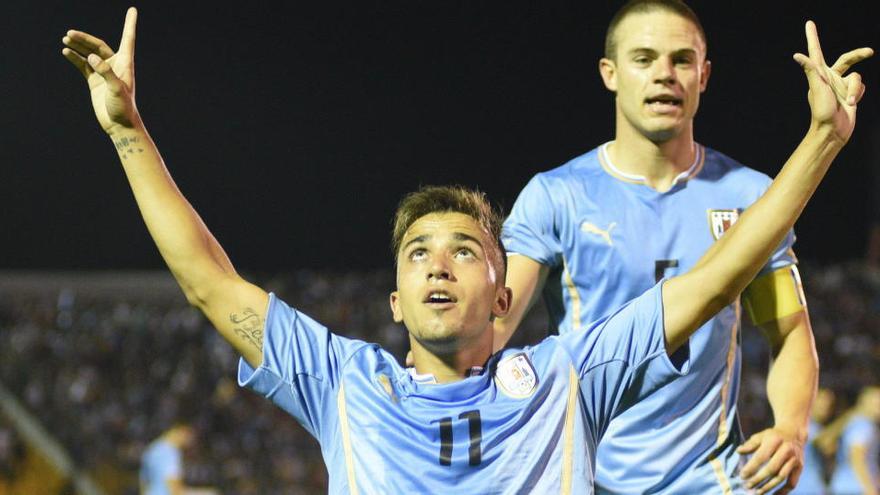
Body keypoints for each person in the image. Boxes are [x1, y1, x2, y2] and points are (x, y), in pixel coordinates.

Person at [61, 7, 870, 493]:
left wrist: (822, 144)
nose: (439, 263)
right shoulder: (347, 380)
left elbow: (725, 268)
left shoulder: (568, 376)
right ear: (394, 299)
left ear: (506, 291)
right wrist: (129, 132)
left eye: (463, 250)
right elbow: (208, 282)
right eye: (417, 253)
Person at [496, 1, 836, 493]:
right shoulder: (557, 196)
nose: (664, 74)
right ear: (609, 73)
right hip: (588, 478)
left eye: (681, 59)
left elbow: (787, 332)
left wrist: (790, 429)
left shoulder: (748, 196)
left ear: (705, 74)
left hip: (713, 480)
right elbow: (494, 328)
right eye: (644, 58)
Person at [828, 386, 880, 495]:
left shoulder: (855, 423)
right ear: (863, 404)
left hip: (844, 485)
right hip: (855, 487)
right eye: (876, 403)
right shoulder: (863, 425)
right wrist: (869, 489)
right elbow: (856, 456)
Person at [140, 423, 216, 495]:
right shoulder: (170, 453)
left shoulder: (153, 449)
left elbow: (143, 484)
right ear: (182, 431)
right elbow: (175, 491)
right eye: (190, 437)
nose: (189, 442)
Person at [792, 387, 836, 495]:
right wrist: (848, 418)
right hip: (805, 488)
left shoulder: (816, 427)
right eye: (822, 403)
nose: (826, 409)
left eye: (829, 405)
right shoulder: (805, 426)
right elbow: (827, 445)